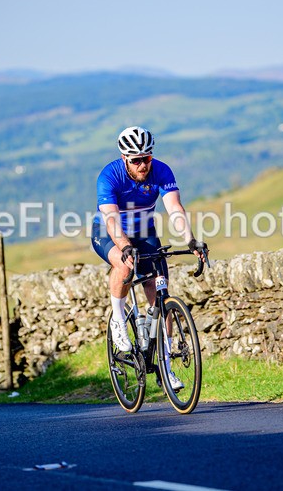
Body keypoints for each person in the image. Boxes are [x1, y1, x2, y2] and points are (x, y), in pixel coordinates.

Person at [91, 126, 205, 389]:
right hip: (109, 232)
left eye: (147, 158)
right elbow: (110, 218)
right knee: (124, 262)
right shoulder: (109, 175)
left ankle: (165, 367)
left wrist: (190, 240)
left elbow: (174, 208)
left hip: (144, 231)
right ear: (125, 159)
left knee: (160, 291)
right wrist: (124, 246)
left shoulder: (161, 171)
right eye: (136, 160)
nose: (143, 165)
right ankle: (119, 320)